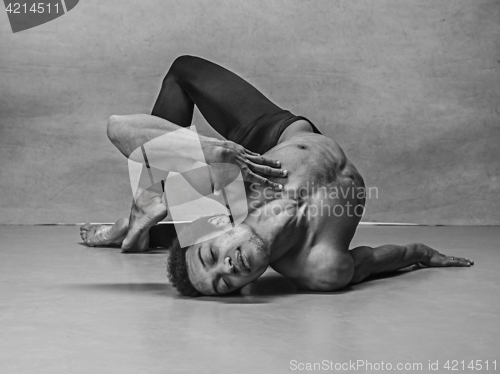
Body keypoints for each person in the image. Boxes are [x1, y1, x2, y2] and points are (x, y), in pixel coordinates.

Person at [80, 55, 474, 297]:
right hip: (279, 155)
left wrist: (213, 150)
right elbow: (377, 260)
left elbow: (119, 127)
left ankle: (138, 216)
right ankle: (143, 219)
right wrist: (424, 254)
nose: (228, 267)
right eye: (224, 284)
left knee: (183, 71)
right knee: (178, 189)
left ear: (216, 230)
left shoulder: (233, 187)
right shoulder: (323, 269)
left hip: (271, 137)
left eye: (212, 255)